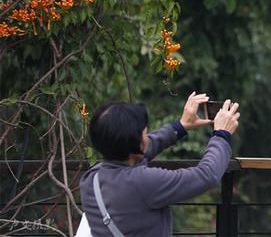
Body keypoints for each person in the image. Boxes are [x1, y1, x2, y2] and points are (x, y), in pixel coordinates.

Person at [79, 93, 240, 237]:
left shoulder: (91, 178)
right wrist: (221, 135)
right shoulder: (142, 183)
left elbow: (139, 152)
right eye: (144, 133)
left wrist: (180, 127)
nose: (147, 137)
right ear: (135, 144)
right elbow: (206, 176)